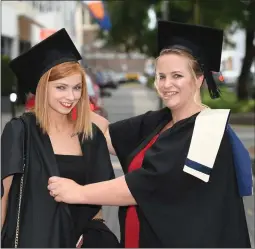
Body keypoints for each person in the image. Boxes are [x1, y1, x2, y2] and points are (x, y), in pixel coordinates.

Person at [47, 21, 252, 248]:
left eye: (177, 76)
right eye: (161, 76)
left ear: (199, 79)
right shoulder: (161, 120)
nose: (166, 84)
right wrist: (71, 100)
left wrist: (78, 193)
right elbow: (106, 133)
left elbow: (142, 187)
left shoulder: (208, 132)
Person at [1, 28, 120, 248]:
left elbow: (97, 208)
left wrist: (94, 236)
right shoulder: (20, 131)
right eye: (61, 88)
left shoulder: (90, 136)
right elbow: (3, 197)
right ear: (43, 88)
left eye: (77, 88)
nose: (71, 97)